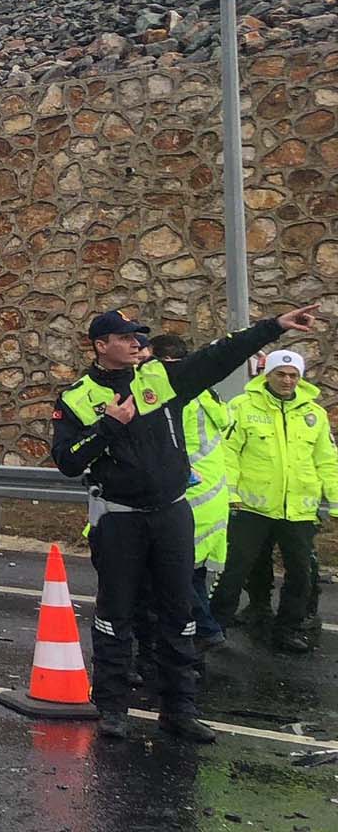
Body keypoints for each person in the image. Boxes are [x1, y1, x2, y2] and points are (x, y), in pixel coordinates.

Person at [51, 306, 318, 743]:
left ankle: (180, 709)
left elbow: (219, 356)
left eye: (140, 335)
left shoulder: (158, 378)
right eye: (126, 337)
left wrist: (274, 327)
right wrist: (108, 427)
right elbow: (67, 460)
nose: (138, 342)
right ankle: (113, 707)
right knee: (116, 616)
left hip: (173, 514)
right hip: (120, 520)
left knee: (180, 614)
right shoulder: (77, 397)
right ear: (101, 347)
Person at [213, 349, 338, 654]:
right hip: (251, 507)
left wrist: (335, 502)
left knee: (301, 573)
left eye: (293, 375)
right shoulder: (242, 408)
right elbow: (227, 454)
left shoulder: (314, 414)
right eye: (280, 374)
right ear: (266, 374)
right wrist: (230, 494)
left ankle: (289, 629)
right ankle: (213, 627)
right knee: (235, 570)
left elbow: (327, 461)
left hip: (298, 510)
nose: (287, 381)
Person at [148, 334, 233, 654]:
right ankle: (198, 628)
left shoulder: (178, 398)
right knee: (191, 570)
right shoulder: (209, 396)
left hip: (188, 492)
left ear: (165, 363)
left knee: (174, 569)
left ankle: (204, 628)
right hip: (211, 492)